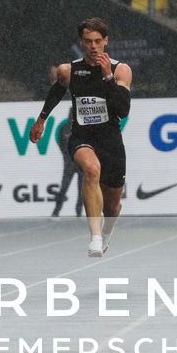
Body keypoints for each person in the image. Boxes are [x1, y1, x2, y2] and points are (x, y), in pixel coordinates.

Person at [30, 17, 132, 257]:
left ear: (106, 41)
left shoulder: (121, 70)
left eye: (98, 41)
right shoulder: (69, 70)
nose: (93, 46)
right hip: (82, 135)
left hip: (110, 138)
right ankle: (95, 236)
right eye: (88, 41)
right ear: (81, 42)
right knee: (91, 170)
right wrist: (41, 119)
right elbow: (57, 90)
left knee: (113, 205)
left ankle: (106, 231)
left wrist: (107, 76)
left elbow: (123, 109)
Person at [49, 119, 85, 219]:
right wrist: (66, 155)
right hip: (69, 164)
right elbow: (60, 142)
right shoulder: (64, 128)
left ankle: (79, 211)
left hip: (80, 164)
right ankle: (56, 210)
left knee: (81, 190)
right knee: (64, 187)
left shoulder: (82, 128)